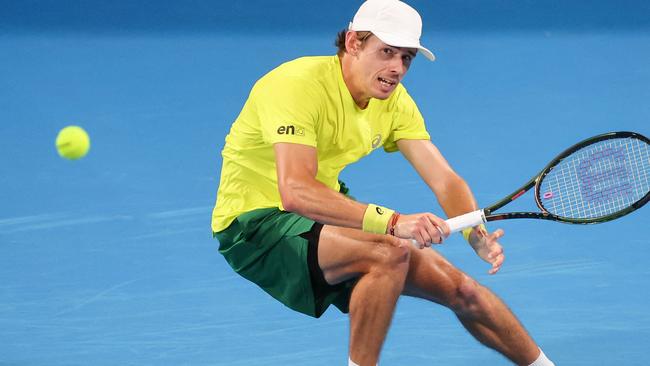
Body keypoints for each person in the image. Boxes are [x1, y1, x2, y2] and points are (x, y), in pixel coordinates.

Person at [212, 0, 555, 365]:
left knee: (462, 290)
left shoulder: (394, 102)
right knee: (390, 252)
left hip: (322, 212)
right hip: (255, 223)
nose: (396, 68)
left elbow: (445, 180)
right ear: (353, 43)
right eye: (386, 52)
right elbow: (295, 190)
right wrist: (394, 222)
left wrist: (476, 235)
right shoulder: (295, 85)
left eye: (406, 57)